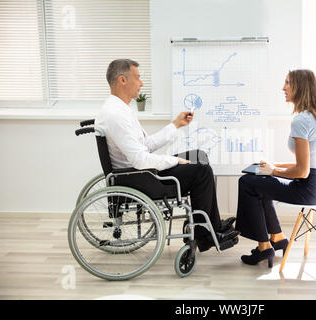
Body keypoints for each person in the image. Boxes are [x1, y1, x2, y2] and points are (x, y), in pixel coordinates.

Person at [95, 59, 239, 252]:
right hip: (138, 178)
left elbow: (145, 145)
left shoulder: (122, 110)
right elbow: (140, 159)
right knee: (201, 169)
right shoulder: (115, 115)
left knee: (200, 156)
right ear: (122, 80)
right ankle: (205, 235)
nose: (141, 83)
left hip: (140, 173)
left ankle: (212, 225)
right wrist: (175, 160)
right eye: (138, 78)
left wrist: (176, 124)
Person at [235, 69, 316, 267]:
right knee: (260, 183)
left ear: (300, 87)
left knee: (247, 182)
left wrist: (273, 171)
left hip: (310, 188)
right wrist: (275, 166)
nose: (283, 88)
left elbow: (302, 172)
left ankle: (264, 248)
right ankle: (278, 238)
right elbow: (309, 165)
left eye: (288, 83)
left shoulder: (302, 120)